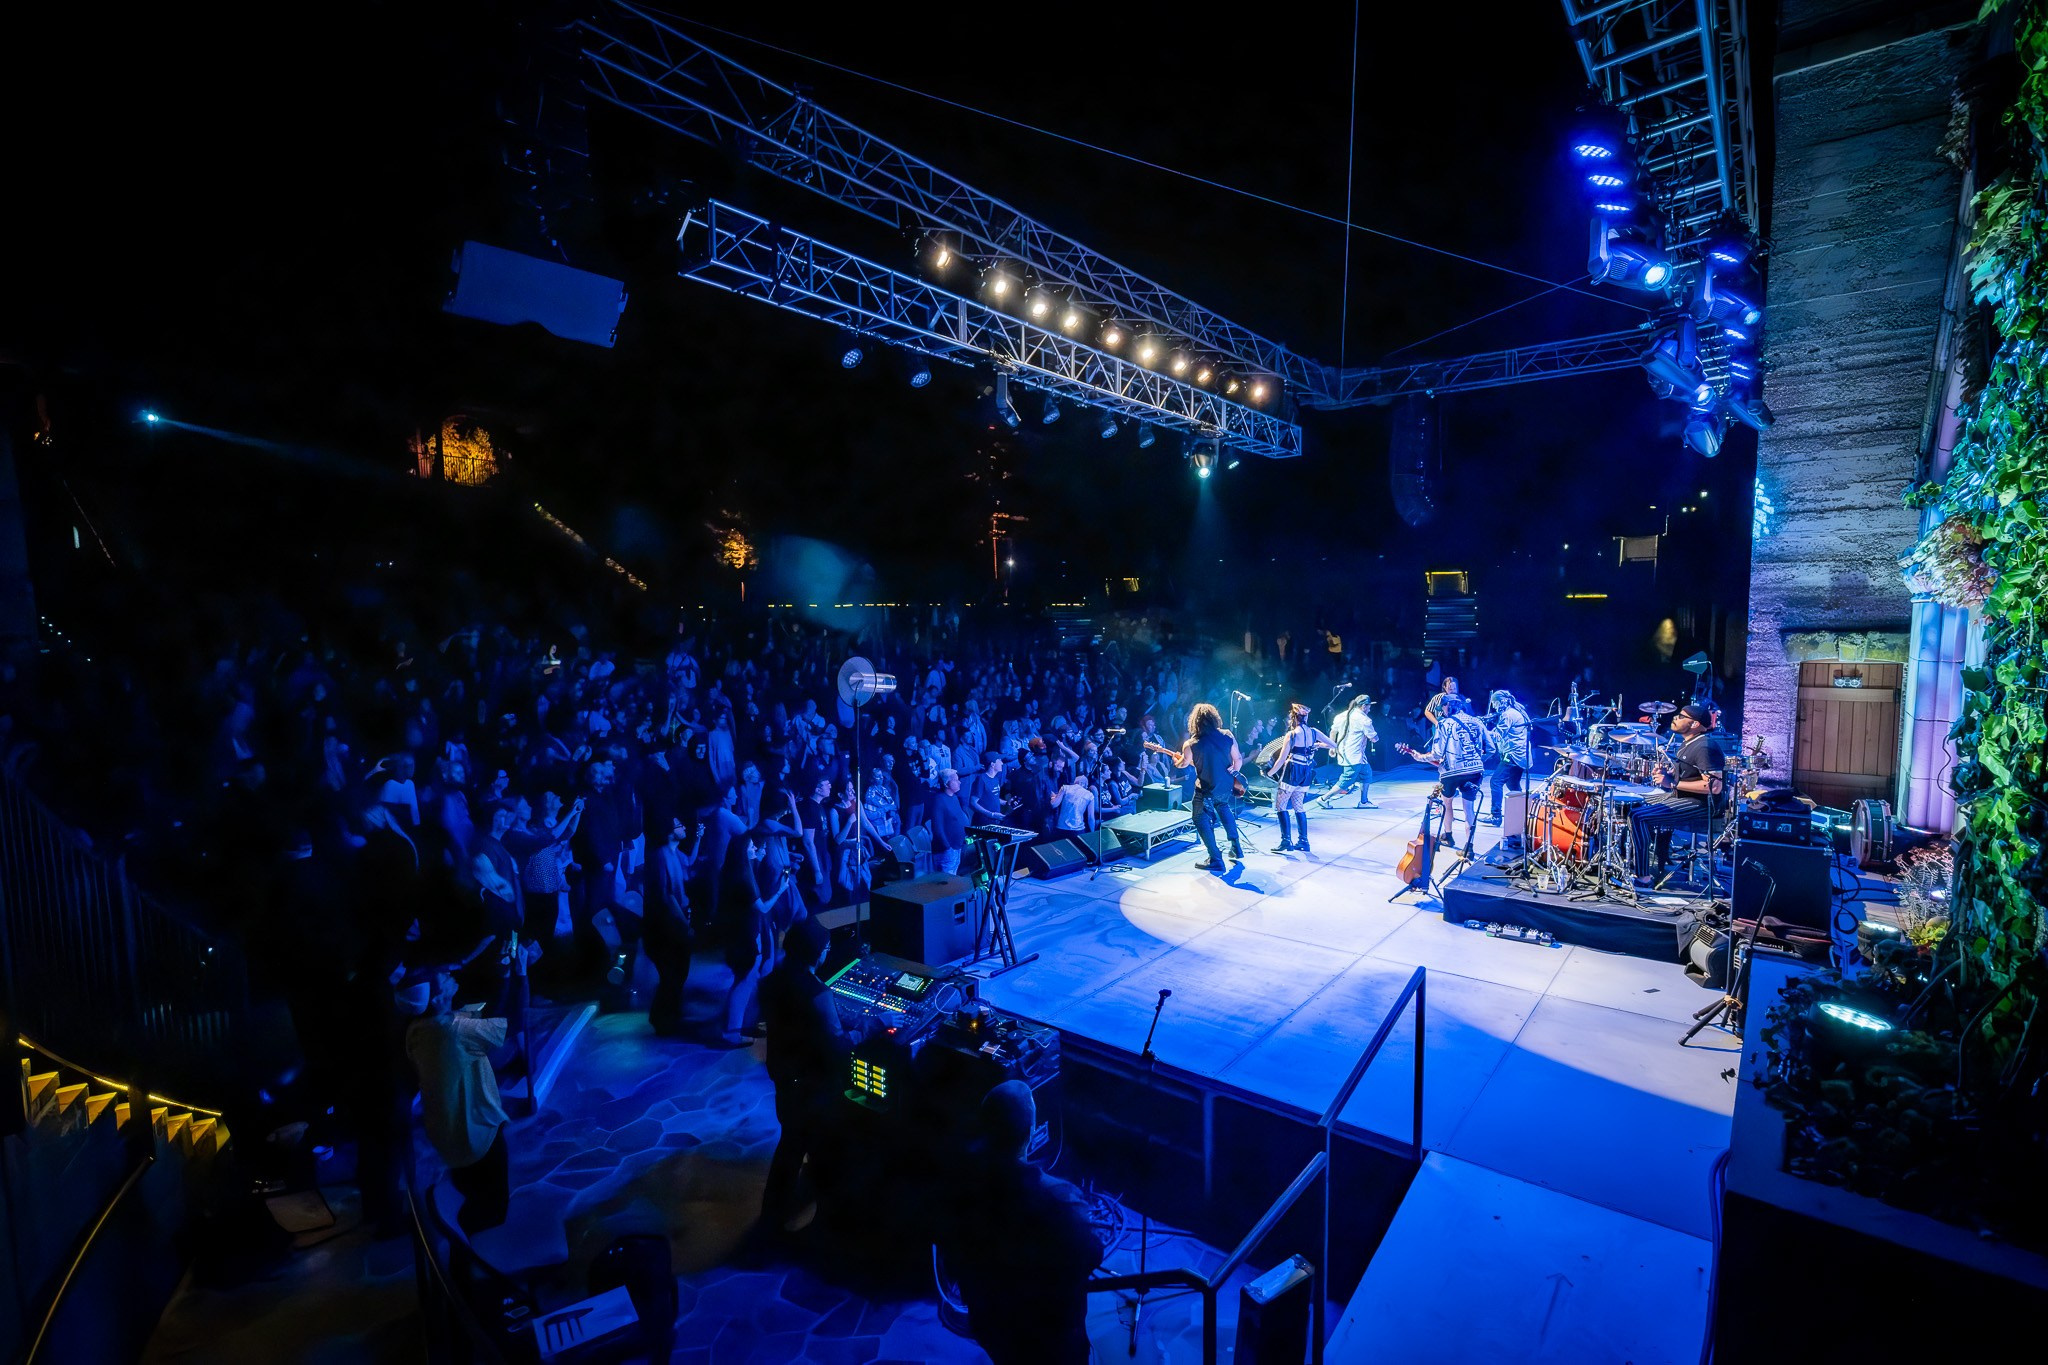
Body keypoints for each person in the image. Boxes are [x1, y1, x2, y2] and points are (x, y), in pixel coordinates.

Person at [943, 1081, 1106, 1365]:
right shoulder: (1060, 1199)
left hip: (991, 1324)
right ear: (1031, 1132)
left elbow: (952, 1253)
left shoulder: (958, 1184)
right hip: (1050, 1337)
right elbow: (1091, 1254)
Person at [760, 915, 864, 1229]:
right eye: (826, 947)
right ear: (814, 952)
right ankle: (826, 1225)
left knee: (790, 1147)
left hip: (785, 1080)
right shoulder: (816, 993)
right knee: (820, 1151)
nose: (828, 952)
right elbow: (838, 1048)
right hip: (812, 1089)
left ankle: (772, 1216)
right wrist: (871, 1028)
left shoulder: (775, 978)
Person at [402, 969, 512, 1234]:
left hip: (449, 1135)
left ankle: (463, 1243)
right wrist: (514, 974)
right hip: (476, 1131)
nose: (451, 977)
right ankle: (473, 1256)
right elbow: (510, 1021)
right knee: (494, 1208)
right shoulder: (452, 1031)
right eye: (444, 979)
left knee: (471, 1191)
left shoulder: (416, 1030)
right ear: (436, 997)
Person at [1630, 703, 1727, 887]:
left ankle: (1643, 877)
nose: (1676, 717)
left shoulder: (1705, 746)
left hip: (1701, 805)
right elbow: (1688, 776)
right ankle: (1654, 857)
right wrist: (1667, 775)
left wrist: (1672, 783)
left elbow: (1714, 786)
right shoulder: (1687, 743)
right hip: (1682, 797)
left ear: (1694, 724)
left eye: (1682, 716)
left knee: (1638, 817)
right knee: (1634, 802)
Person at [718, 829, 787, 1046]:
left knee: (743, 981)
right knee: (743, 983)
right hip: (743, 937)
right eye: (752, 847)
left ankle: (735, 1029)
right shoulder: (743, 878)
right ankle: (731, 1033)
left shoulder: (734, 872)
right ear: (742, 852)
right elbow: (763, 907)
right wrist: (781, 889)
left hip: (738, 935)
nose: (755, 849)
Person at [1169, 702, 1243, 872]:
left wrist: (1176, 761)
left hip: (1206, 789)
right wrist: (1233, 775)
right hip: (1225, 786)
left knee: (1199, 818)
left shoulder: (1191, 744)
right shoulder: (1227, 735)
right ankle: (1236, 846)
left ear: (1194, 721)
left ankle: (1215, 858)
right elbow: (1238, 759)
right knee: (1223, 807)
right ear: (1214, 718)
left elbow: (1184, 764)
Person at [1418, 694, 1491, 858]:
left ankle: (1448, 836)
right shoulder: (1477, 721)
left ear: (1448, 706)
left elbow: (1436, 754)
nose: (1442, 711)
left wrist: (1420, 757)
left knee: (1447, 804)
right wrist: (1478, 761)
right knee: (1469, 809)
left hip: (1451, 772)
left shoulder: (1443, 724)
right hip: (1474, 772)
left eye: (1442, 708)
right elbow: (1491, 748)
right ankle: (1469, 847)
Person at [646, 814, 696, 1037]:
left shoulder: (676, 854)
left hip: (677, 921)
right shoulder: (659, 857)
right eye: (679, 824)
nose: (684, 827)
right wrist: (684, 922)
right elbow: (666, 896)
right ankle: (662, 1019)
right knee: (671, 974)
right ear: (668, 831)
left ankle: (671, 1016)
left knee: (679, 972)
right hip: (666, 926)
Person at [1263, 702, 1334, 854]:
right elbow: (1333, 745)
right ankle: (1303, 841)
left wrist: (1269, 773)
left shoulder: (1292, 734)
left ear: (1293, 718)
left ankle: (1286, 841)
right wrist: (1318, 745)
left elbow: (1281, 760)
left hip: (1293, 770)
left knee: (1281, 805)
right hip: (1306, 772)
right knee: (1298, 806)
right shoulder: (1314, 732)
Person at [1316, 693, 1378, 809]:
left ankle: (1364, 802)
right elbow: (1374, 738)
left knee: (1366, 773)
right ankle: (1323, 799)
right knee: (1346, 780)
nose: (1369, 709)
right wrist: (1376, 737)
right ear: (1363, 706)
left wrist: (1332, 747)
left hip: (1348, 753)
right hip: (1353, 756)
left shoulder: (1341, 716)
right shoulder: (1364, 720)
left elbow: (1333, 731)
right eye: (1369, 706)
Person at [1484, 689, 1532, 828]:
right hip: (1521, 756)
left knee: (1495, 782)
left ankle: (1496, 816)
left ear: (1501, 701)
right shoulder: (1515, 712)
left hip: (1512, 756)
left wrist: (1483, 730)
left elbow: (1498, 735)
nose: (1493, 706)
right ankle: (1522, 815)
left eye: (1494, 702)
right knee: (1513, 785)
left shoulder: (1508, 715)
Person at [930, 767, 971, 875]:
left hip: (957, 848)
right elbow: (937, 827)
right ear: (947, 783)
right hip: (946, 851)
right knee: (946, 883)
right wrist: (947, 847)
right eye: (956, 780)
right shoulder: (938, 800)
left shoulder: (954, 797)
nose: (959, 782)